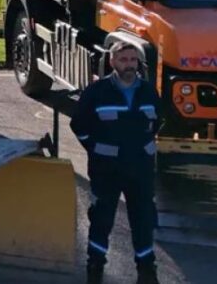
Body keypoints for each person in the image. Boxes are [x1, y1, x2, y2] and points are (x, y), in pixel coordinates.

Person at [70, 41, 163, 284]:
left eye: (133, 60)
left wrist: (142, 146)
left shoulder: (148, 91)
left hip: (140, 168)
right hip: (107, 170)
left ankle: (146, 272)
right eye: (124, 60)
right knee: (102, 219)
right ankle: (95, 268)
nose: (129, 65)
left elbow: (159, 121)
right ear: (112, 62)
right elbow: (79, 125)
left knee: (143, 219)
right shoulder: (97, 92)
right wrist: (96, 149)